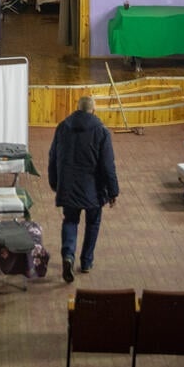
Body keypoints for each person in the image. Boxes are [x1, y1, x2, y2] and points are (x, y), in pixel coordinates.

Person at [48, 95, 119, 283]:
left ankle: (68, 256)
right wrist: (113, 191)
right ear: (93, 110)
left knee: (70, 220)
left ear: (77, 109)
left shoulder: (63, 127)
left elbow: (53, 157)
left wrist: (54, 182)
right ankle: (86, 262)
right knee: (93, 223)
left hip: (69, 186)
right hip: (93, 190)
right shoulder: (102, 132)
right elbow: (107, 165)